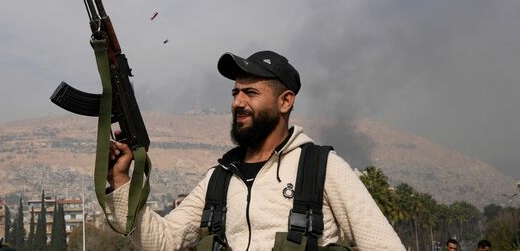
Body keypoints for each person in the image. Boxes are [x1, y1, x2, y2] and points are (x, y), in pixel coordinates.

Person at [104, 50, 405, 250]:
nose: (237, 102)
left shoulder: (321, 168)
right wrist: (120, 181)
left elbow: (383, 245)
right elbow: (163, 241)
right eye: (235, 93)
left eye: (251, 92)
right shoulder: (219, 178)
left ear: (285, 101)